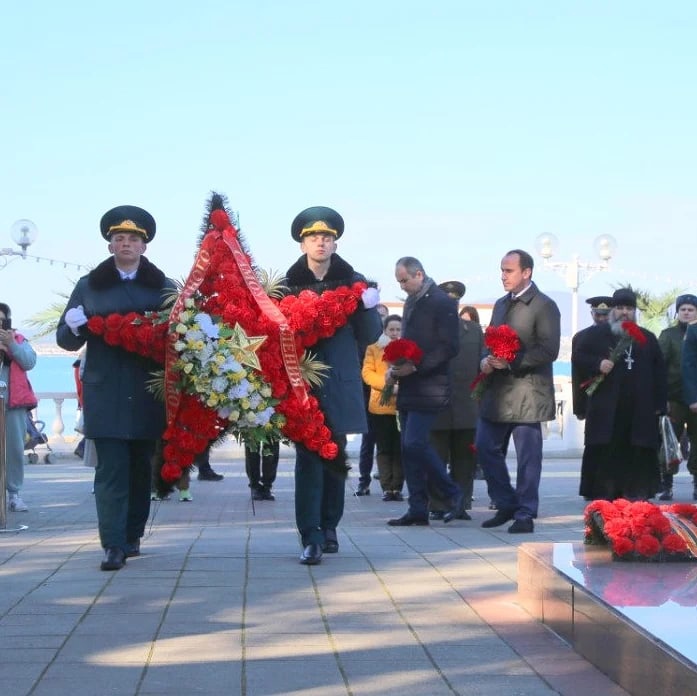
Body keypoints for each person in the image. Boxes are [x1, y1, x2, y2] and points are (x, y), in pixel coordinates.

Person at [57, 205, 176, 571]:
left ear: (144, 247)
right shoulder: (88, 286)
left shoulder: (162, 286)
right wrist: (75, 325)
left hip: (146, 389)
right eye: (119, 238)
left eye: (133, 239)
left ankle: (132, 535)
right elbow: (64, 340)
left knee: (140, 466)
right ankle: (111, 544)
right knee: (110, 470)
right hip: (105, 389)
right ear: (110, 246)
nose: (126, 244)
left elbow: (180, 337)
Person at [284, 206, 381, 565]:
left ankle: (329, 526)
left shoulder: (353, 280)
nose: (319, 242)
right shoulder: (286, 285)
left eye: (326, 237)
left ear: (335, 244)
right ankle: (309, 534)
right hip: (301, 384)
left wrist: (369, 307)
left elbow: (370, 335)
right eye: (312, 237)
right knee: (308, 460)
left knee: (334, 456)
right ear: (302, 245)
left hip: (338, 381)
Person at [476, 249, 560, 534]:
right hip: (497, 392)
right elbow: (491, 339)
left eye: (509, 270)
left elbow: (549, 350)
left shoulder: (544, 305)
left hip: (528, 393)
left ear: (527, 272)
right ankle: (506, 502)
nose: (503, 276)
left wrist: (511, 362)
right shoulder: (500, 305)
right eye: (502, 270)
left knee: (527, 458)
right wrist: (486, 359)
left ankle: (525, 512)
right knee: (484, 445)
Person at [386, 257, 464, 527]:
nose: (402, 286)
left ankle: (453, 492)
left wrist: (416, 366)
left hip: (430, 385)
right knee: (408, 450)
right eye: (399, 282)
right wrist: (397, 365)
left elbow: (450, 346)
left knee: (414, 443)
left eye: (405, 280)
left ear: (419, 274)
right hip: (409, 385)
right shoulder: (411, 301)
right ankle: (417, 507)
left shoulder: (441, 302)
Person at [572, 288, 666, 501]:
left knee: (638, 449)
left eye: (629, 308)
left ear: (635, 311)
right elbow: (578, 358)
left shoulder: (648, 338)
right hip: (607, 409)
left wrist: (660, 405)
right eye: (620, 308)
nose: (625, 312)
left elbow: (660, 372)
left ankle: (637, 492)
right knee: (606, 450)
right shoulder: (596, 335)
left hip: (639, 410)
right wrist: (598, 363)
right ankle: (604, 492)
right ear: (613, 310)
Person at [428, 281, 483, 521]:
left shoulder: (474, 330)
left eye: (455, 301)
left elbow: (482, 366)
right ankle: (438, 503)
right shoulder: (428, 329)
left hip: (467, 404)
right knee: (436, 457)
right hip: (436, 402)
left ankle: (461, 503)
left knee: (464, 460)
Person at [362, 314, 404, 501]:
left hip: (402, 406)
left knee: (400, 448)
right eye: (391, 329)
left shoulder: (407, 349)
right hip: (380, 406)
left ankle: (398, 486)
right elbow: (367, 374)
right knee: (384, 448)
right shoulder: (374, 349)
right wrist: (388, 386)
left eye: (398, 329)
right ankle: (388, 487)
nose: (395, 333)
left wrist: (401, 387)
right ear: (385, 330)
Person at [659, 293, 697, 500]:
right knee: (669, 442)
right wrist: (661, 398)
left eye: (691, 309)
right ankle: (666, 484)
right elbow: (659, 367)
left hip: (696, 399)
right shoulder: (668, 335)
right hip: (673, 399)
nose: (687, 312)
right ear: (677, 312)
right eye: (683, 309)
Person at [0, 302, 37, 512]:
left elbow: (30, 362)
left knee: (13, 449)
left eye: (1, 320)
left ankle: (14, 494)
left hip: (12, 404)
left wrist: (11, 345)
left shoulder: (19, 340)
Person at [355, 303, 389, 496]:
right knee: (368, 442)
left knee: (387, 443)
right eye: (378, 316)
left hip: (390, 400)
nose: (380, 319)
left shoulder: (394, 341)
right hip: (369, 397)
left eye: (384, 316)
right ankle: (363, 481)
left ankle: (391, 484)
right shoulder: (366, 343)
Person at [571, 296, 613, 421]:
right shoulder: (580, 337)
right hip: (592, 398)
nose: (601, 318)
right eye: (598, 315)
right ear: (591, 314)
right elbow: (577, 374)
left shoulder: (620, 336)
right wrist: (579, 407)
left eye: (606, 315)